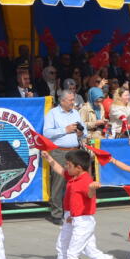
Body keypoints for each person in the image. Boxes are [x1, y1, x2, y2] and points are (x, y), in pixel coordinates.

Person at [40, 149, 124, 259]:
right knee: (86, 250)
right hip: (74, 218)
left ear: (78, 167)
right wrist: (49, 158)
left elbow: (90, 195)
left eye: (68, 165)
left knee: (72, 252)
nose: (66, 166)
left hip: (83, 222)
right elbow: (60, 170)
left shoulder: (86, 181)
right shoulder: (73, 176)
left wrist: (92, 188)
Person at [43, 90, 84, 224]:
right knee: (59, 182)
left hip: (74, 151)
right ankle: (56, 214)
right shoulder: (53, 113)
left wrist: (80, 133)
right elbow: (46, 133)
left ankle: (71, 211)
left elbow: (84, 131)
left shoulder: (76, 113)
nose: (73, 102)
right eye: (71, 100)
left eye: (73, 99)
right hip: (59, 152)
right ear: (62, 101)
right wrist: (65, 130)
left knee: (74, 183)